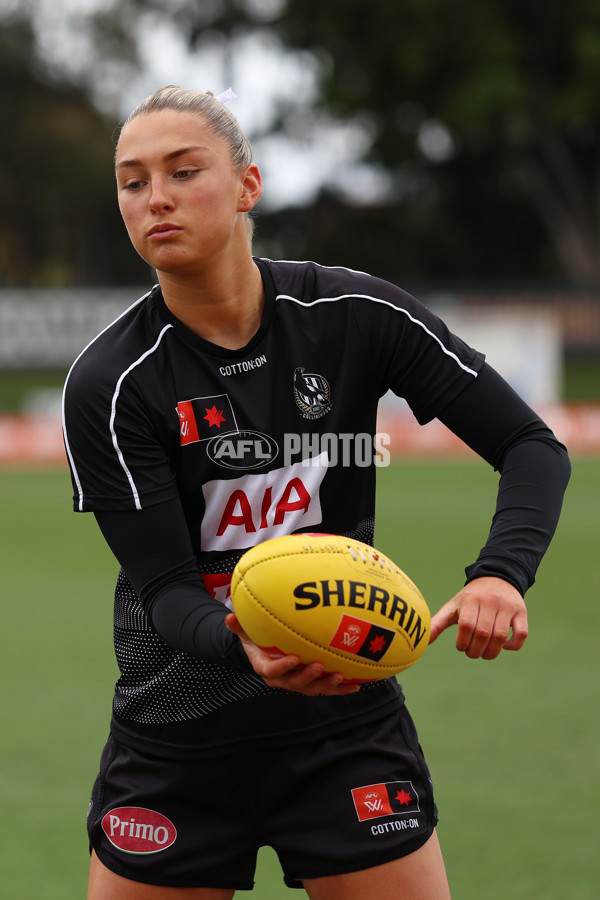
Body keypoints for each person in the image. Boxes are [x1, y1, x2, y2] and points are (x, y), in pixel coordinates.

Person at [62, 85, 570, 900]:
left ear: (248, 187)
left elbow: (531, 445)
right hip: (179, 732)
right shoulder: (111, 383)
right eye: (132, 180)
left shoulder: (354, 314)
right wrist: (244, 646)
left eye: (183, 170)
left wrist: (501, 571)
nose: (155, 197)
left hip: (346, 721)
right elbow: (164, 589)